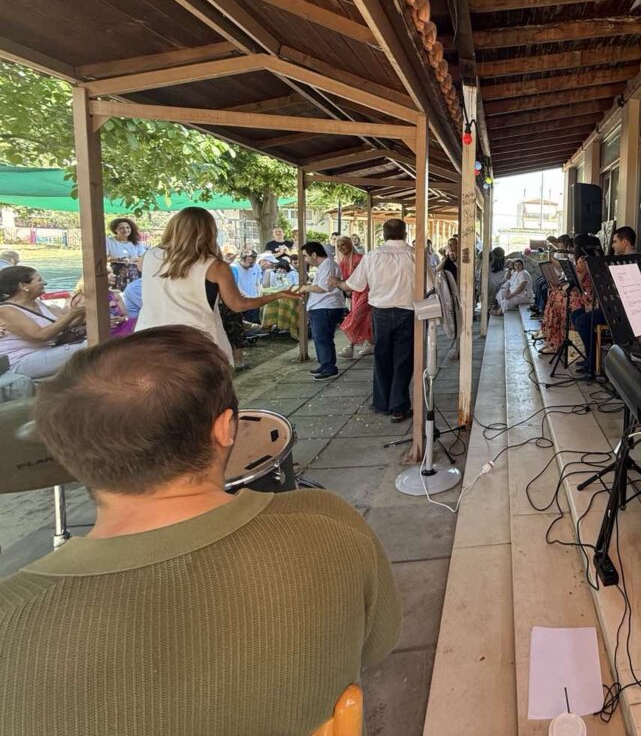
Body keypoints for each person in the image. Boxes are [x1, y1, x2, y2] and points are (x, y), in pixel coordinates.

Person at [0, 326, 401, 734]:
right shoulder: (326, 524)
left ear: (67, 453)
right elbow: (378, 642)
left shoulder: (12, 617)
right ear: (225, 428)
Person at [136, 206, 298, 364]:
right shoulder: (215, 266)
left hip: (149, 337)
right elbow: (239, 304)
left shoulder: (148, 256)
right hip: (196, 340)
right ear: (209, 232)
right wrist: (279, 294)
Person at [342, 219, 432, 448]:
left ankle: (382, 402)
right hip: (407, 312)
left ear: (383, 234)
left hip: (380, 312)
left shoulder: (372, 256)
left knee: (382, 356)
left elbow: (355, 285)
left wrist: (336, 283)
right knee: (403, 359)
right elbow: (431, 285)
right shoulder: (416, 256)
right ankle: (398, 406)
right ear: (405, 233)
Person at [0, 266, 88, 378]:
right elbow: (40, 336)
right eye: (39, 280)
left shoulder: (37, 303)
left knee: (97, 342)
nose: (45, 283)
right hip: (19, 361)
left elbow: (66, 325)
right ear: (23, 286)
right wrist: (72, 313)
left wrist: (81, 312)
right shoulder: (7, 310)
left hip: (45, 352)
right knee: (92, 346)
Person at [572, 227, 635, 375]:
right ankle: (591, 357)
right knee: (575, 315)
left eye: (615, 242)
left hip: (619, 311)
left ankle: (593, 362)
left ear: (625, 242)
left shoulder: (631, 261)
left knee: (582, 321)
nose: (612, 245)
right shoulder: (620, 260)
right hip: (610, 306)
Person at [296, 242, 346, 381]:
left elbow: (323, 287)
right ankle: (325, 364)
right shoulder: (325, 265)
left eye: (306, 256)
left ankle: (328, 367)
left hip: (326, 306)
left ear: (313, 254)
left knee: (322, 338)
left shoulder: (328, 265)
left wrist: (305, 288)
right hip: (323, 306)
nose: (305, 259)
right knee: (322, 338)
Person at [335, 236, 372, 360]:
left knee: (355, 317)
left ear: (349, 244)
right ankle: (369, 343)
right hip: (356, 293)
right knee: (365, 319)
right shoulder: (344, 260)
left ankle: (350, 346)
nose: (341, 248)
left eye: (343, 245)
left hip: (365, 291)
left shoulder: (358, 258)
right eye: (338, 246)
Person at [105, 217, 146, 291]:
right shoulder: (109, 241)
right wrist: (119, 259)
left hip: (134, 272)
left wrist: (132, 259)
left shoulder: (136, 242)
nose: (125, 230)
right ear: (115, 230)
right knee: (117, 293)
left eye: (128, 227)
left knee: (133, 293)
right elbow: (105, 258)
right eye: (121, 228)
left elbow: (143, 257)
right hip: (116, 272)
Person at [231, 249, 264, 324]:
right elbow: (236, 286)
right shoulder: (234, 268)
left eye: (254, 262)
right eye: (250, 262)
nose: (252, 265)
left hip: (254, 299)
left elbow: (258, 283)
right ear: (242, 259)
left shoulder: (256, 266)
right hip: (242, 301)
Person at [486, 248, 508, 315]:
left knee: (490, 298)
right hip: (496, 281)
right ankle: (491, 309)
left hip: (492, 281)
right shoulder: (501, 260)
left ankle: (489, 310)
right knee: (492, 297)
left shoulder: (490, 260)